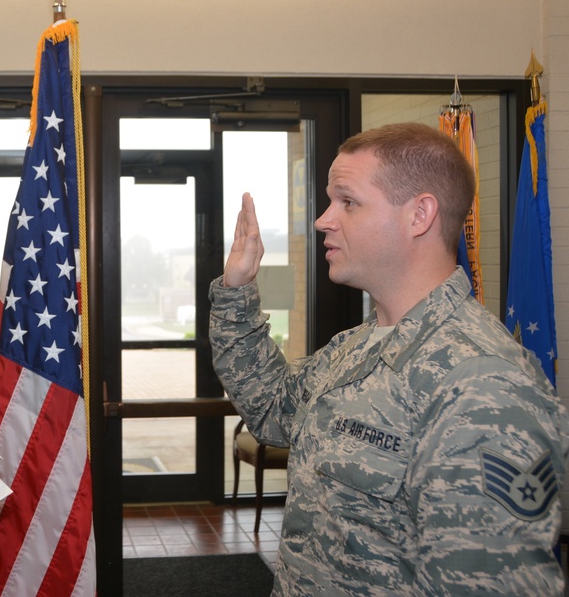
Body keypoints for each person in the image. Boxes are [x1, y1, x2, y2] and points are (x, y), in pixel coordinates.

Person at [210, 122, 569, 595]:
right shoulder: (357, 346)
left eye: (348, 202)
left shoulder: (483, 385)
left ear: (419, 215)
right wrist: (236, 290)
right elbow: (274, 408)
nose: (323, 219)